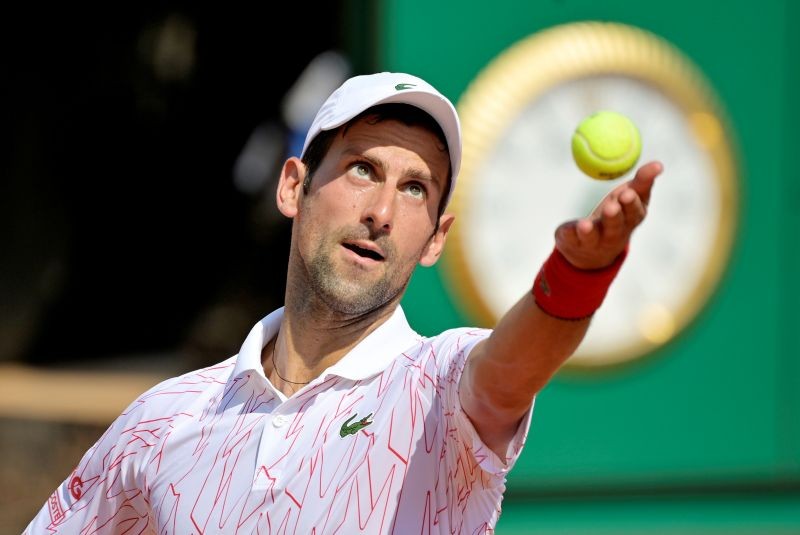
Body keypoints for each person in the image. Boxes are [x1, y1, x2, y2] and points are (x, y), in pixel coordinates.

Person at [26, 71, 661, 534]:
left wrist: (579, 272)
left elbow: (514, 368)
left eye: (416, 189)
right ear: (293, 186)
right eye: (362, 170)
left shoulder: (439, 386)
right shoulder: (159, 422)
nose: (382, 213)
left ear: (436, 238)